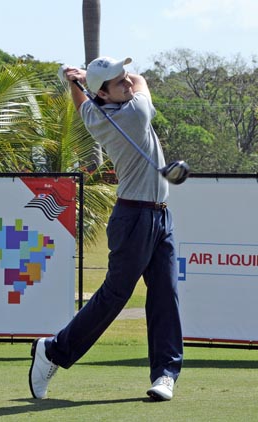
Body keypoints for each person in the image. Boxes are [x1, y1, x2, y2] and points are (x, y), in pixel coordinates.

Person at [29, 56, 183, 401]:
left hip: (160, 216)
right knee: (114, 296)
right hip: (135, 218)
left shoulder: (96, 114)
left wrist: (75, 82)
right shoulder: (134, 113)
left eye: (125, 78)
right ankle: (53, 351)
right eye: (119, 83)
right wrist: (83, 78)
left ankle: (164, 374)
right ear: (105, 94)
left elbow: (84, 103)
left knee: (166, 294)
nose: (128, 83)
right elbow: (143, 80)